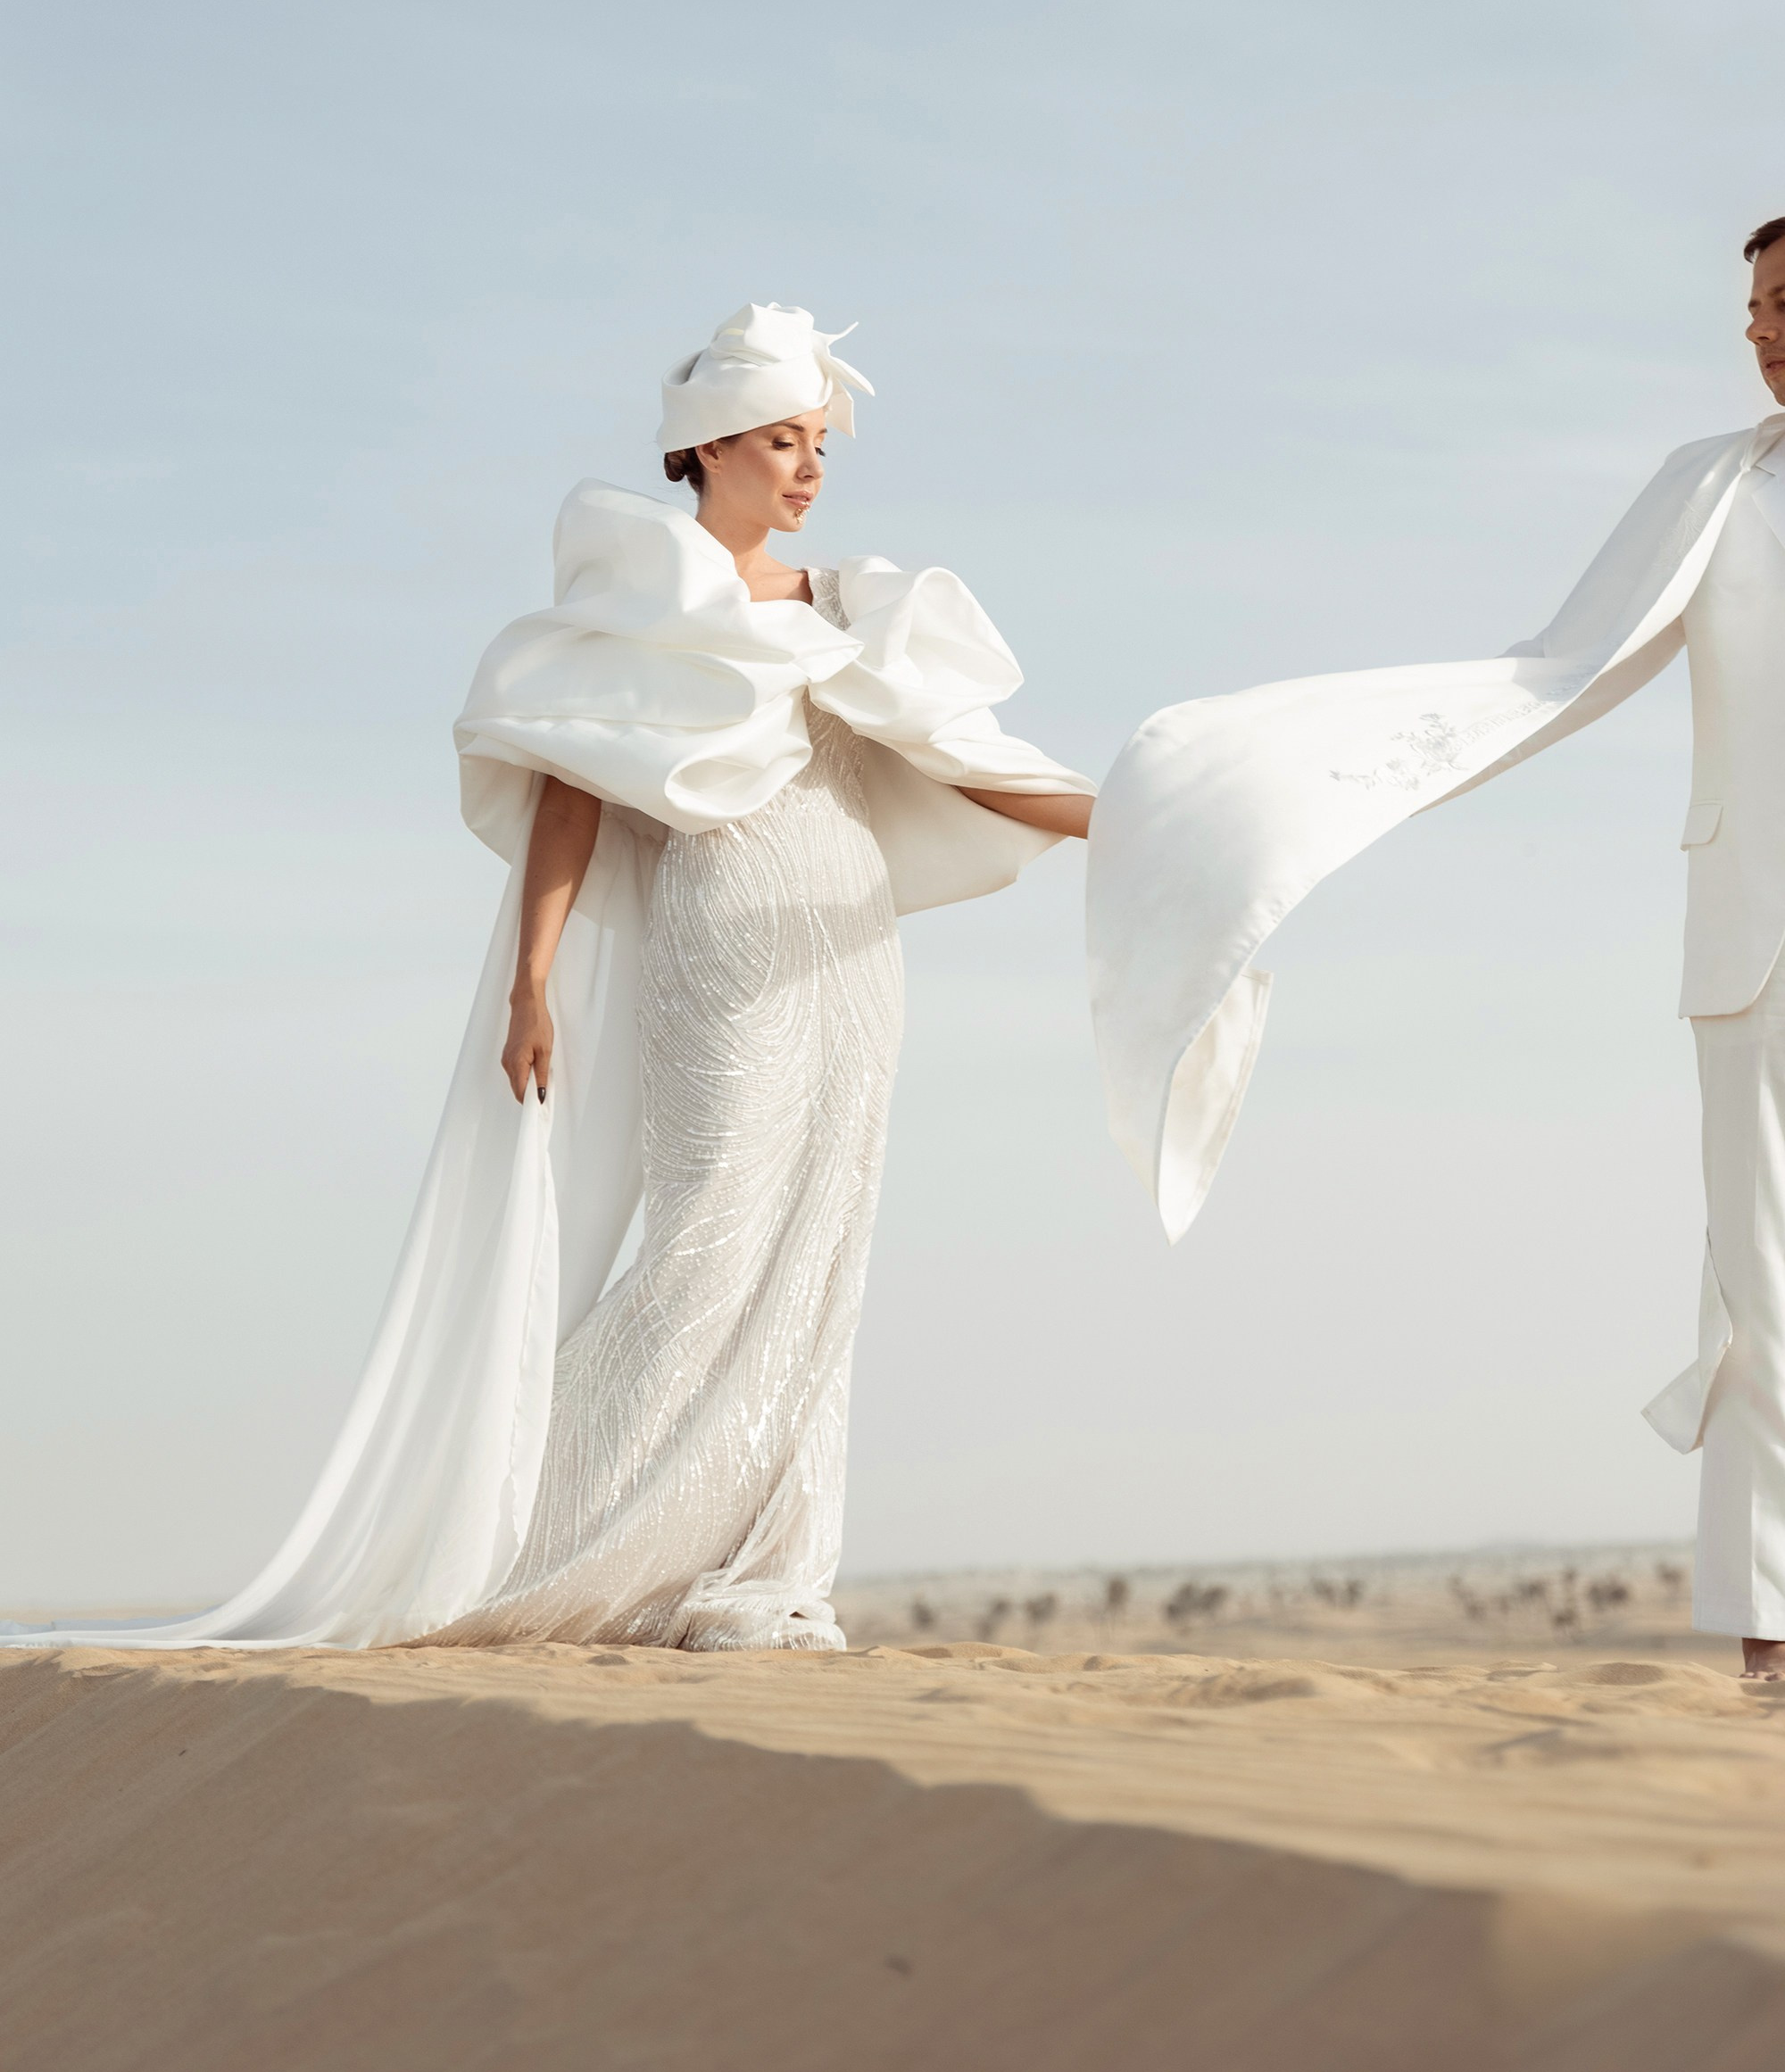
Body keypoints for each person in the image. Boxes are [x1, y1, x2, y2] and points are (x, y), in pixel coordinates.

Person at [15, 303, 1093, 1651]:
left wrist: (1123, 823)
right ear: (706, 451)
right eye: (782, 441)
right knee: (709, 1237)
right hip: (725, 933)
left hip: (851, 943)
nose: (810, 470)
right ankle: (543, 1543)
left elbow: (970, 763)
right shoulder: (645, 600)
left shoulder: (853, 608)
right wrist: (532, 980)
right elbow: (572, 801)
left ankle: (767, 1576)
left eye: (821, 444)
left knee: (827, 1250)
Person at [1086, 218, 1785, 1676]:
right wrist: (1297, 788)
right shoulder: (1707, 491)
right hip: (1751, 945)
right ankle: (1776, 1631)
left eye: (1784, 304)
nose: (1760, 331)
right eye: (1754, 307)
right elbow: (1550, 675)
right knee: (1769, 1280)